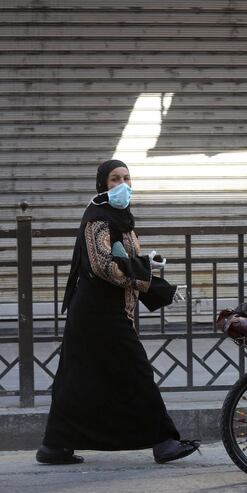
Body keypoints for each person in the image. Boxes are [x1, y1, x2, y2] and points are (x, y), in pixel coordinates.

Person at [36, 160, 199, 465]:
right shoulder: (97, 219)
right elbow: (102, 266)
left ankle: (54, 446)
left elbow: (127, 258)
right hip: (98, 312)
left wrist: (148, 264)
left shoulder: (120, 218)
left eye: (126, 177)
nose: (122, 184)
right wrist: (150, 279)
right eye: (115, 179)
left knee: (77, 378)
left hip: (105, 311)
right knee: (136, 372)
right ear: (103, 185)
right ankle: (164, 442)